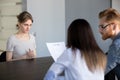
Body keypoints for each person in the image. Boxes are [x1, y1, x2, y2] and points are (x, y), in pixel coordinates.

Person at [98, 8, 120, 80]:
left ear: (114, 26)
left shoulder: (117, 44)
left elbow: (100, 72)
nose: (99, 30)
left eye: (102, 26)